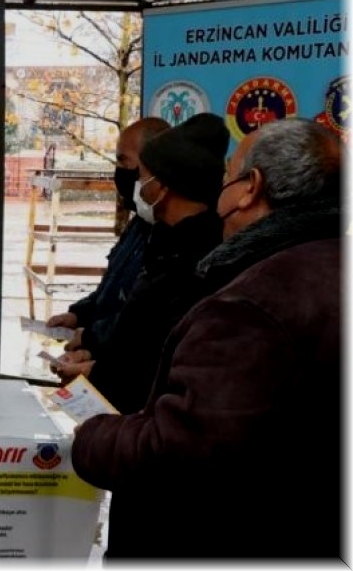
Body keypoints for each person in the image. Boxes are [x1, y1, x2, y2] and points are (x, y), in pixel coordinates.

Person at [72, 119, 342, 559]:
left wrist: (92, 437)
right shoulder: (326, 267)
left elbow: (179, 449)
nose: (220, 194)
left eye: (228, 177)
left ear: (250, 188)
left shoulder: (254, 304)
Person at [53, 114, 226, 414]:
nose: (137, 185)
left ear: (161, 186)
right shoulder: (164, 243)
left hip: (144, 426)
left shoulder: (199, 263)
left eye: (141, 175)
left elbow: (160, 360)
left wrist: (96, 370)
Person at [45, 117, 169, 351]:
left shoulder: (172, 240)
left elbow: (143, 321)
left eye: (124, 162)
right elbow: (110, 291)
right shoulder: (138, 224)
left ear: (154, 166)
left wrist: (92, 337)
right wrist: (77, 316)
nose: (119, 173)